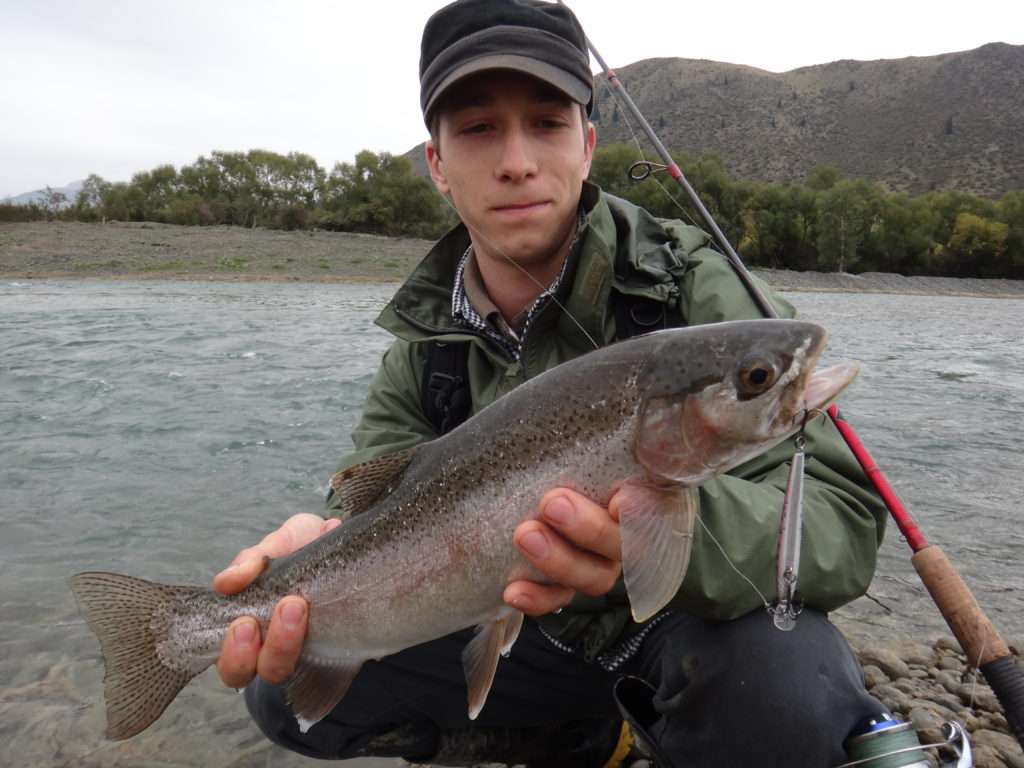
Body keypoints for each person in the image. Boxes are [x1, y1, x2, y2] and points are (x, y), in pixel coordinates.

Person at [213, 1, 888, 765]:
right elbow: (370, 506)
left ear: (588, 143)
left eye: (546, 122)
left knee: (786, 700)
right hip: (521, 627)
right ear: (435, 163)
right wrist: (321, 547)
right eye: (476, 129)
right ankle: (579, 740)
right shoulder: (421, 342)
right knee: (280, 683)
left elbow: (841, 523)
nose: (516, 161)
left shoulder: (700, 293)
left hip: (677, 630)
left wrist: (663, 530)